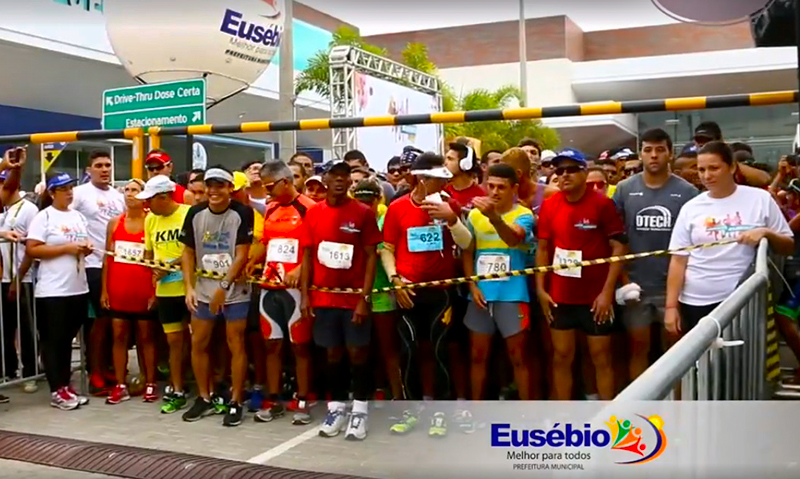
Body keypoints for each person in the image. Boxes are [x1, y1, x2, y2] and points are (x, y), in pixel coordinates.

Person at [382, 153, 473, 436]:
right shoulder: (397, 208)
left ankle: (441, 415)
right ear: (422, 179)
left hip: (441, 292)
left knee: (440, 350)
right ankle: (411, 409)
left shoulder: (450, 203)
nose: (445, 182)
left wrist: (452, 220)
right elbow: (387, 248)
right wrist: (395, 280)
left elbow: (467, 243)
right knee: (409, 351)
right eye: (440, 178)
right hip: (407, 291)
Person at [666, 141, 794, 336]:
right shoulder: (690, 208)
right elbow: (678, 259)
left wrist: (766, 233)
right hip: (695, 301)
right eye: (701, 169)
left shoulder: (760, 199)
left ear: (732, 167)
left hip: (742, 299)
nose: (707, 176)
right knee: (705, 362)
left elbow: (788, 246)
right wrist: (671, 307)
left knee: (741, 363)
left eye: (714, 168)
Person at [536, 148, 627, 401]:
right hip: (560, 296)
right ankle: (564, 418)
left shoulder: (602, 203)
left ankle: (610, 419)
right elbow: (543, 248)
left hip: (595, 296)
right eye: (559, 171)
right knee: (561, 356)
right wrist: (541, 290)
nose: (564, 175)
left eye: (571, 169)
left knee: (601, 357)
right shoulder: (550, 205)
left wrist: (607, 292)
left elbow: (619, 245)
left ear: (584, 172)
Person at [299, 161, 381, 441]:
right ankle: (336, 407)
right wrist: (305, 294)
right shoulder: (313, 213)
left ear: (350, 182)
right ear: (325, 180)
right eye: (334, 176)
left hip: (353, 299)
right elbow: (308, 255)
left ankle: (360, 410)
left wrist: (364, 299)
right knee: (332, 353)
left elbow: (372, 257)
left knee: (357, 352)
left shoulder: (362, 213)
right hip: (323, 297)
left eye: (345, 177)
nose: (339, 181)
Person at [612, 128, 698, 381]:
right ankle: (637, 410)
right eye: (648, 150)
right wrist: (625, 281)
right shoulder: (624, 189)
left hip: (673, 286)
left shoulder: (687, 192)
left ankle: (678, 411)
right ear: (641, 154)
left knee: (675, 354)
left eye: (660, 149)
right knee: (638, 349)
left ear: (670, 153)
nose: (654, 156)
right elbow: (616, 239)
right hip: (636, 284)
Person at [180, 167, 253, 427]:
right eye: (209, 185)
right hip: (202, 288)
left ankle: (236, 401)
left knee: (236, 343)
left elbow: (242, 253)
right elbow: (187, 252)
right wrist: (189, 287)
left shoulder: (242, 213)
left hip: (234, 290)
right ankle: (203, 397)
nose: (213, 191)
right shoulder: (195, 213)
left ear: (230, 188)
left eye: (219, 185)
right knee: (199, 342)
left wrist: (224, 286)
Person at [245, 160, 317, 425]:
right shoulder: (272, 207)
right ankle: (274, 399)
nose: (267, 192)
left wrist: (300, 268)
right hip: (269, 285)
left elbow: (315, 247)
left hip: (296, 289)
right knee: (272, 344)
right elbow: (267, 242)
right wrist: (253, 260)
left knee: (300, 346)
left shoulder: (309, 207)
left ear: (285, 182)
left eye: (270, 187)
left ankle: (303, 399)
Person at [463, 163, 534, 401]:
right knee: (476, 356)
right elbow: (467, 251)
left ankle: (528, 414)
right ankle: (475, 410)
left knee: (519, 357)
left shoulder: (523, 214)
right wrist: (472, 285)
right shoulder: (474, 215)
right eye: (490, 186)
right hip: (481, 295)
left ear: (514, 188)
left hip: (512, 295)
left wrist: (494, 219)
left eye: (501, 187)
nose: (494, 192)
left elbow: (513, 239)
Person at [26, 172, 93, 410]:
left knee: (67, 340)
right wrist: (66, 248)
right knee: (53, 341)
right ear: (52, 193)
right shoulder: (43, 217)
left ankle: (65, 385)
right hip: (53, 290)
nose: (69, 192)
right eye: (63, 189)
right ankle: (56, 389)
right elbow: (33, 249)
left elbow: (82, 246)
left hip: (77, 287)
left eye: (71, 188)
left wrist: (85, 249)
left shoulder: (77, 217)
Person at [71, 150, 125, 396]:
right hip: (91, 266)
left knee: (114, 321)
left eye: (108, 165)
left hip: (115, 266)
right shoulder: (80, 194)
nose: (104, 169)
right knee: (97, 322)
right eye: (99, 165)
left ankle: (109, 367)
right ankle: (94, 371)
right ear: (88, 170)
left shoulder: (118, 196)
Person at [102, 179, 158, 404]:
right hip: (119, 288)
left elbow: (155, 260)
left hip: (142, 289)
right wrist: (104, 290)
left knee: (146, 337)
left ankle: (151, 383)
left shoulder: (151, 222)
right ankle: (120, 384)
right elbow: (107, 257)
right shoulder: (115, 223)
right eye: (127, 190)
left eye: (135, 190)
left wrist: (154, 292)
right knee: (118, 335)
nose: (130, 194)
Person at [140, 176, 191, 414]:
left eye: (149, 200)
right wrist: (153, 268)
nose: (146, 205)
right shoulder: (150, 219)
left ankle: (206, 390)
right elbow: (148, 254)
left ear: (164, 197)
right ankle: (177, 389)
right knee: (173, 342)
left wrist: (173, 264)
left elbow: (196, 250)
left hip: (191, 287)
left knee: (201, 342)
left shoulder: (189, 214)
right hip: (166, 290)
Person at [352, 178, 403, 402]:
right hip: (356, 293)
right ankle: (368, 391)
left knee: (388, 348)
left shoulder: (386, 220)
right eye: (360, 202)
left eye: (369, 202)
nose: (365, 207)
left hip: (383, 293)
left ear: (378, 200)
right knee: (361, 348)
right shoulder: (353, 220)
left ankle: (397, 395)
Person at [501, 147, 558, 214]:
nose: (501, 178)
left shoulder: (552, 195)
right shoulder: (506, 198)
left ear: (518, 173)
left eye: (504, 173)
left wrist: (528, 212)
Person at [444, 142, 486, 211]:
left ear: (465, 164)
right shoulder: (443, 191)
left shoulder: (480, 197)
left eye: (450, 159)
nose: (445, 163)